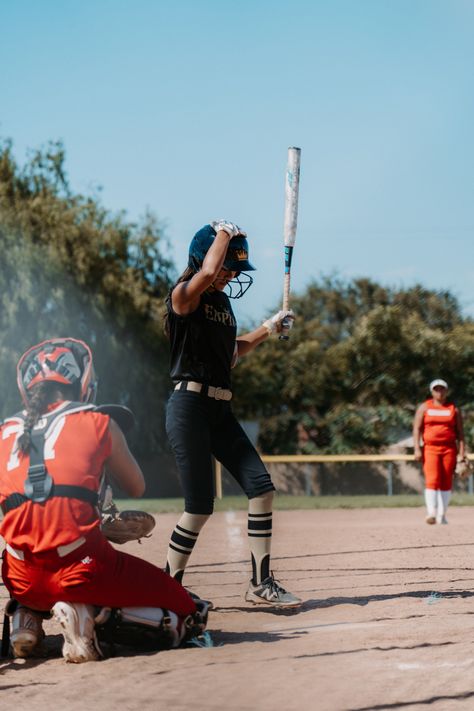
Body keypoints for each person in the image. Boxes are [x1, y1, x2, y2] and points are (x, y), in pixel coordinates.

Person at [0, 338, 207, 662]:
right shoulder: (99, 422)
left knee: (22, 550)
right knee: (189, 611)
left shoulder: (5, 431)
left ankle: (23, 616)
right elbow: (136, 487)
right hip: (82, 569)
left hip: (21, 578)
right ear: (81, 381)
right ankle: (92, 616)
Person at [163, 220, 301, 608]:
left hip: (219, 407)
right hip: (188, 406)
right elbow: (207, 272)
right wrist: (223, 230)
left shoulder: (222, 304)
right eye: (228, 266)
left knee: (261, 489)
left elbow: (232, 354)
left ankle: (261, 583)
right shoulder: (183, 296)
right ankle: (168, 587)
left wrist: (268, 328)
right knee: (199, 507)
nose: (231, 275)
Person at [413, 378, 466, 525]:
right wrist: (417, 448)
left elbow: (460, 433)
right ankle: (431, 513)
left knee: (446, 481)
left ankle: (442, 515)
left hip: (449, 448)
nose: (439, 392)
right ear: (431, 391)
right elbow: (417, 429)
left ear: (446, 391)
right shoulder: (424, 407)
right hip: (430, 448)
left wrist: (461, 453)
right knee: (432, 479)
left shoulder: (453, 409)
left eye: (442, 389)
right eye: (436, 389)